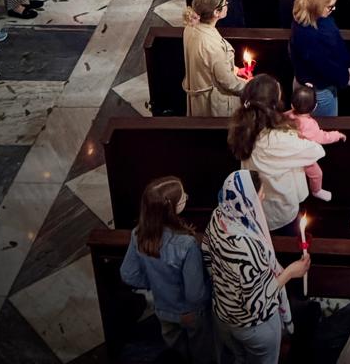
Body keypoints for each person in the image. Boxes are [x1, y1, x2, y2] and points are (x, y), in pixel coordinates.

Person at [205, 169, 309, 362]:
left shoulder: (218, 216)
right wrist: (289, 273)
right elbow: (255, 303)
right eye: (259, 195)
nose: (263, 197)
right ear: (247, 200)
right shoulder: (247, 246)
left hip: (222, 315)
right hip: (253, 326)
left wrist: (229, 283)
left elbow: (207, 255)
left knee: (239, 359)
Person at [121, 176, 214, 363]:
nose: (186, 196)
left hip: (163, 309)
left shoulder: (138, 233)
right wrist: (212, 285)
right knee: (202, 353)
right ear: (171, 208)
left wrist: (156, 284)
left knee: (175, 355)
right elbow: (194, 295)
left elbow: (128, 274)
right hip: (190, 312)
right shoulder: (187, 244)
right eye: (182, 196)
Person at [228, 73, 323, 235]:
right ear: (273, 104)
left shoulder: (244, 127)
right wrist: (301, 134)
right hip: (280, 209)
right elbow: (316, 151)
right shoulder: (278, 138)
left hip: (256, 206)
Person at [290, 0, 350, 116]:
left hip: (314, 84)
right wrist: (345, 78)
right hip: (318, 93)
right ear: (317, 5)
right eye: (330, 6)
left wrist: (348, 63)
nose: (333, 9)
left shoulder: (312, 16)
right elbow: (326, 67)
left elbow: (337, 41)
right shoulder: (310, 36)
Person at [182, 0, 248, 117]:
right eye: (225, 3)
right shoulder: (212, 46)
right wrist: (250, 86)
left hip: (198, 95)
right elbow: (228, 82)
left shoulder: (190, 27)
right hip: (214, 104)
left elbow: (209, 65)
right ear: (216, 13)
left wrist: (236, 70)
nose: (227, 5)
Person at [286, 81, 345, 205]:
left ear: (292, 105)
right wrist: (337, 135)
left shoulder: (286, 115)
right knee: (317, 174)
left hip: (287, 150)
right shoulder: (310, 125)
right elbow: (323, 137)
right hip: (303, 155)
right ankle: (316, 190)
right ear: (315, 107)